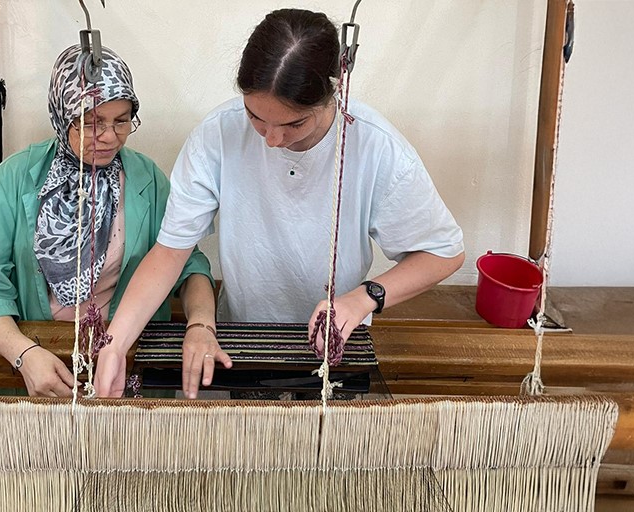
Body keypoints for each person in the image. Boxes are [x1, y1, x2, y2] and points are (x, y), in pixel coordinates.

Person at [94, 9, 464, 399]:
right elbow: (170, 252)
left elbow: (444, 253)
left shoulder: (376, 148)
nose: (271, 139)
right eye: (256, 117)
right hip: (242, 341)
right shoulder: (218, 134)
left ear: (332, 93)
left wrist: (362, 299)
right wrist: (115, 344)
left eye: (294, 124)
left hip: (334, 345)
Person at [0, 44, 215, 397]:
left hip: (125, 357)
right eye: (92, 122)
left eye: (122, 121)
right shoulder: (16, 178)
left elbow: (189, 265)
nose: (109, 137)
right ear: (62, 114)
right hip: (41, 357)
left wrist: (200, 323)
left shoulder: (146, 180)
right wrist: (23, 353)